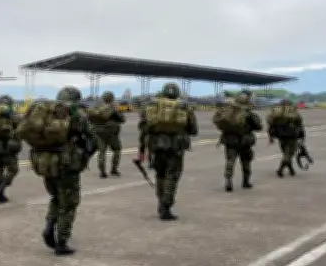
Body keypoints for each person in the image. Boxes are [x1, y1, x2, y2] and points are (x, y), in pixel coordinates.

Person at [36, 86, 99, 255]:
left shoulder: (46, 114)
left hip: (46, 164)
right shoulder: (78, 115)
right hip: (68, 166)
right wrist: (84, 155)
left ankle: (49, 227)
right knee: (69, 204)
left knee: (56, 197)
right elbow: (94, 140)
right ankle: (62, 242)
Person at [137, 83, 198, 220]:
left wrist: (141, 149)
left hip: (156, 147)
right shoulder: (184, 106)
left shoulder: (151, 105)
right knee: (172, 175)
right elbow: (194, 130)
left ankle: (161, 202)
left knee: (160, 175)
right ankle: (166, 205)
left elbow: (143, 128)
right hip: (176, 148)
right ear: (177, 92)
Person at [213, 90, 262, 191]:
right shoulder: (248, 112)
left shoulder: (230, 109)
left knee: (230, 161)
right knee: (246, 162)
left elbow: (221, 123)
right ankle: (246, 181)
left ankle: (228, 181)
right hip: (245, 141)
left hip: (230, 140)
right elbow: (258, 126)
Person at [89, 91, 126, 178]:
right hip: (112, 133)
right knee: (117, 150)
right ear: (111, 98)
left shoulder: (96, 106)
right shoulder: (114, 107)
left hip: (99, 133)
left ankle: (102, 171)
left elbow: (90, 119)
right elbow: (122, 119)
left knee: (101, 152)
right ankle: (114, 169)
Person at [267, 99, 305, 177]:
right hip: (292, 137)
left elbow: (271, 125)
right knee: (288, 155)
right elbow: (300, 123)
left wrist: (271, 137)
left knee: (286, 154)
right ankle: (280, 170)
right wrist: (302, 136)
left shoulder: (276, 113)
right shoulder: (293, 112)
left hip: (281, 136)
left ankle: (291, 170)